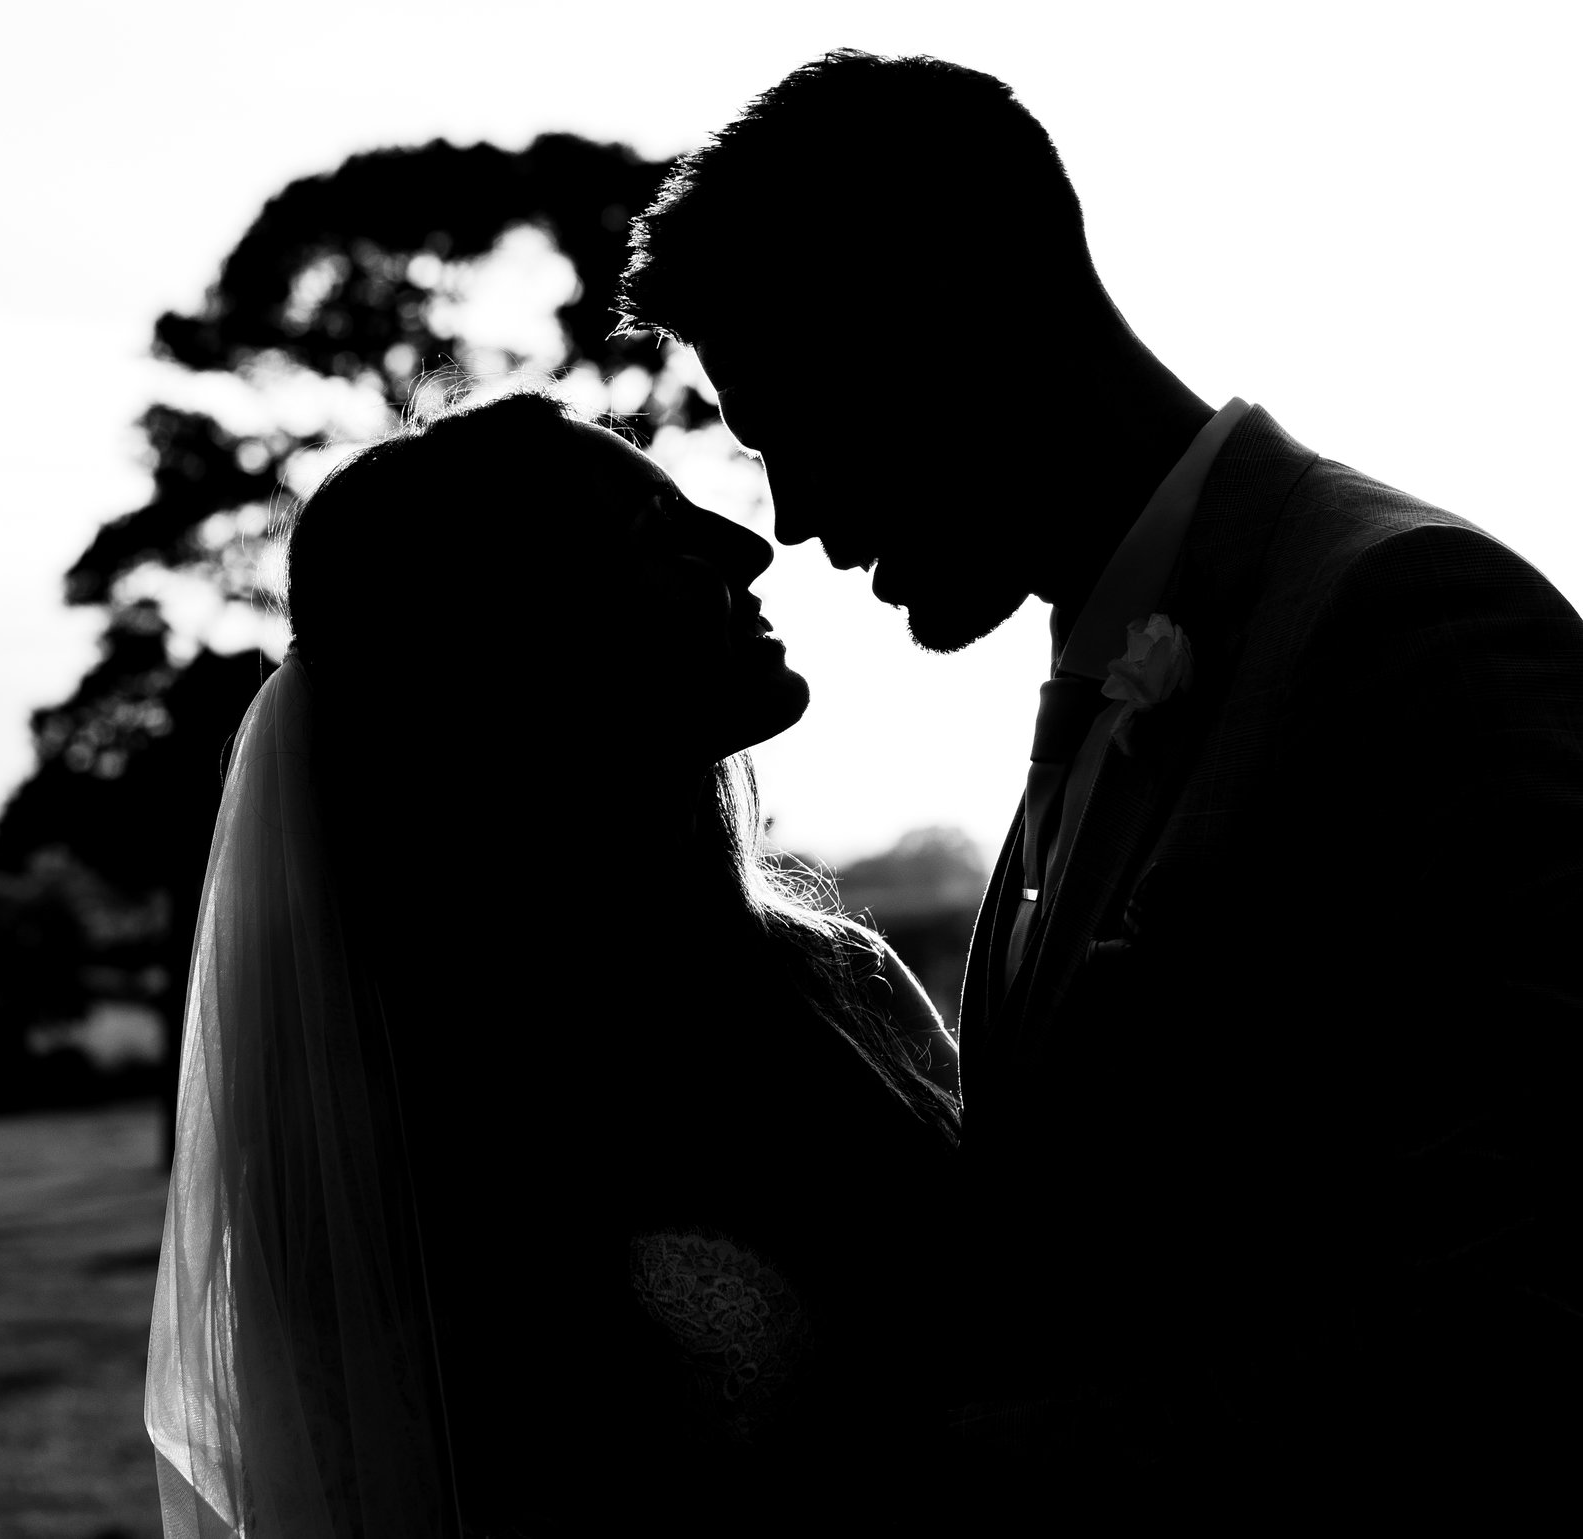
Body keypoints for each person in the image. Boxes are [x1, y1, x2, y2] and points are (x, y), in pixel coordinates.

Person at [618, 49, 1583, 1514]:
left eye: (794, 422)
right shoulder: (1117, 677)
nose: (798, 518)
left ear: (951, 322)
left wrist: (915, 1474)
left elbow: (1512, 1301)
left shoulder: (1409, 625)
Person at [145, 389, 962, 1535]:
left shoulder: (846, 976)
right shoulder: (408, 1094)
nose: (748, 544)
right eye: (655, 535)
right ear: (523, 642)